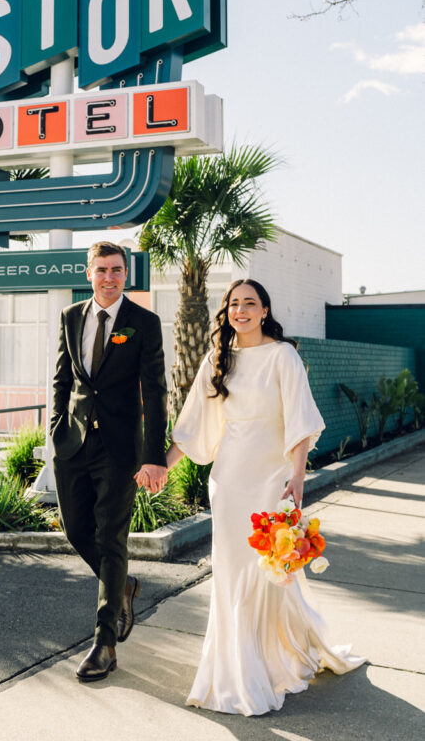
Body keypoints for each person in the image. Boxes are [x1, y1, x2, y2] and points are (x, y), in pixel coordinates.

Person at [165, 278, 365, 716]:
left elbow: (298, 422)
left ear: (264, 310)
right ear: (227, 311)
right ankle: (234, 667)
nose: (241, 310)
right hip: (229, 479)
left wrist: (297, 479)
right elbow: (195, 422)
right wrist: (165, 465)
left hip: (270, 478)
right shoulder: (217, 359)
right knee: (233, 572)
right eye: (234, 303)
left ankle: (271, 657)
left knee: (267, 572)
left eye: (249, 303)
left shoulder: (283, 356)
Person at [51, 241, 168, 681]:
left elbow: (155, 392)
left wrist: (154, 457)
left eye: (117, 270)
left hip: (121, 449)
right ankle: (123, 586)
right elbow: (63, 378)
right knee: (76, 529)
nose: (109, 277)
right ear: (89, 273)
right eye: (101, 270)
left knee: (112, 535)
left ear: (126, 274)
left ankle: (104, 643)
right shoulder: (71, 317)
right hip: (73, 444)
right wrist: (56, 427)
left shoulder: (143, 323)